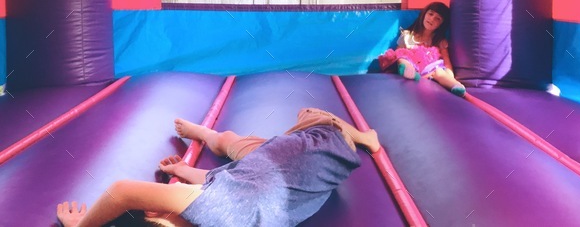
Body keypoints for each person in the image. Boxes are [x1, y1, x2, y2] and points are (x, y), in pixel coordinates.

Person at [57, 108, 380, 227]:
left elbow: (226, 181)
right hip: (321, 140)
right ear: (158, 212)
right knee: (309, 111)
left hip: (267, 163)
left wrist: (182, 173)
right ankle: (369, 138)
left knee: (227, 141)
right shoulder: (216, 208)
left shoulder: (219, 205)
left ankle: (206, 134)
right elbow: (122, 191)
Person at [378, 1, 466, 97]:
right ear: (424, 14)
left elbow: (446, 61)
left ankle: (456, 86)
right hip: (413, 70)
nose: (432, 19)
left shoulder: (439, 41)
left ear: (441, 25)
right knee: (402, 58)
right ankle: (408, 71)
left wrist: (450, 76)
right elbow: (397, 54)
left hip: (431, 71)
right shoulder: (407, 36)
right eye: (430, 14)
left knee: (440, 71)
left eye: (438, 19)